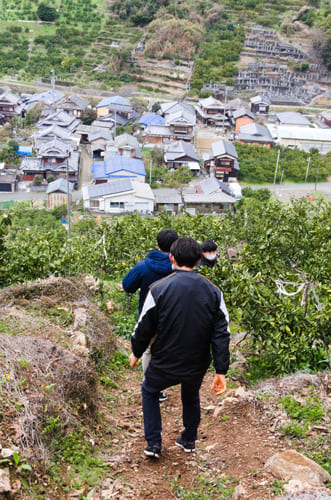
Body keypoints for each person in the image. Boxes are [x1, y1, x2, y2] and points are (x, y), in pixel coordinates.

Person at [129, 237, 230, 459]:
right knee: (191, 394)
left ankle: (154, 444)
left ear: (171, 257)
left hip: (166, 358)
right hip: (197, 360)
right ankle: (188, 439)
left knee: (150, 390)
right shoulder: (214, 291)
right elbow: (222, 332)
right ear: (199, 259)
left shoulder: (159, 289)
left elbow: (144, 325)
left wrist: (136, 352)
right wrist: (220, 370)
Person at [123, 228, 178, 402]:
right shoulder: (179, 268)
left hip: (149, 316)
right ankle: (163, 383)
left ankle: (152, 388)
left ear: (157, 244)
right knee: (167, 350)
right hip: (173, 317)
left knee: (148, 350)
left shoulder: (143, 266)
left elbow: (127, 286)